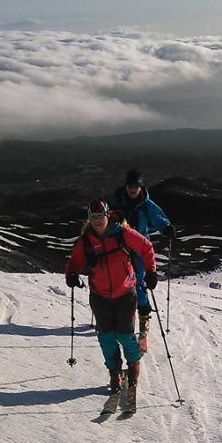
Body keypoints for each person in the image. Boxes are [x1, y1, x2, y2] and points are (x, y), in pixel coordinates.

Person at [65, 198, 159, 395]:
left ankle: (133, 363)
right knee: (106, 337)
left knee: (125, 335)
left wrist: (151, 271)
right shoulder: (86, 242)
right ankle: (114, 371)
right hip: (99, 296)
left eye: (100, 216)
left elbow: (146, 247)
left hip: (125, 293)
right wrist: (71, 274)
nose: (97, 220)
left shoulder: (122, 234)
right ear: (89, 219)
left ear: (107, 215)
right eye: (93, 217)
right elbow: (74, 262)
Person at [109, 169, 174, 353]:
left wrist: (166, 228)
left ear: (141, 186)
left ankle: (143, 319)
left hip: (139, 248)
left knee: (140, 283)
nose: (132, 189)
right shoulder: (116, 202)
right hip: (118, 248)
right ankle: (116, 318)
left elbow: (158, 217)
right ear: (126, 186)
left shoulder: (146, 204)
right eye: (130, 185)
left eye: (136, 186)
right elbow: (106, 219)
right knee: (117, 282)